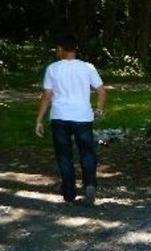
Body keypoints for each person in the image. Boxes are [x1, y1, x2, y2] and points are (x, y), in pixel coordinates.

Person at [35, 34, 107, 206]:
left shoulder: (53, 68)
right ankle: (90, 184)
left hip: (60, 116)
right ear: (75, 49)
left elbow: (46, 96)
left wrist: (39, 120)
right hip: (82, 116)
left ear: (60, 49)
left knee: (64, 155)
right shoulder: (88, 67)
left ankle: (69, 192)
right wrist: (99, 109)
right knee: (87, 152)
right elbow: (102, 91)